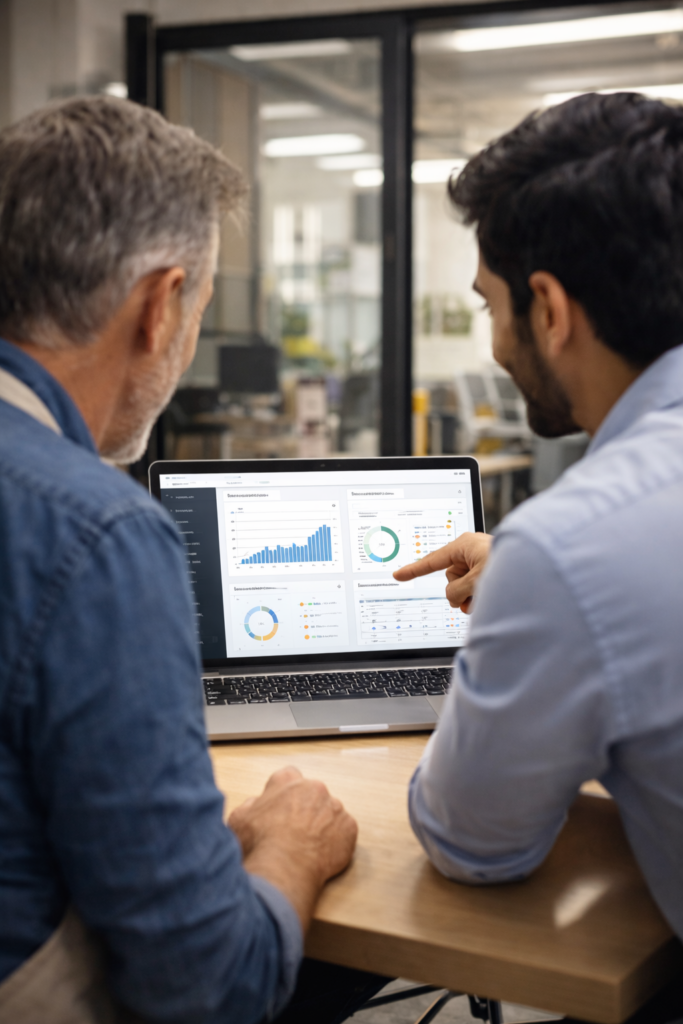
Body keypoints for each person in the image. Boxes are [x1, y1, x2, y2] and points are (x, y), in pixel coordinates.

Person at [0, 96, 386, 1023]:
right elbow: (208, 987)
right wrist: (291, 845)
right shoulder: (97, 535)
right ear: (162, 303)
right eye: (199, 310)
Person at [394, 92, 683, 1023]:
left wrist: (534, 588)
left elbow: (474, 844)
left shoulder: (569, 547)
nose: (495, 337)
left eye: (491, 304)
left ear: (548, 307)